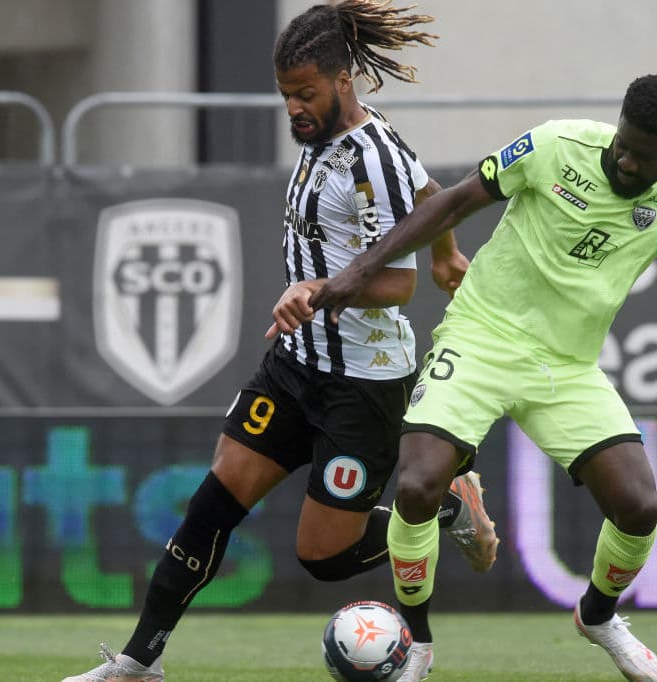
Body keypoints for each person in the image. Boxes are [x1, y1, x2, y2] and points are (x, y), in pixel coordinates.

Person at [307, 74, 657, 682]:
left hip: (567, 368)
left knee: (639, 506)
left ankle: (598, 616)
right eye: (623, 144)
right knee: (419, 485)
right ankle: (417, 643)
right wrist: (360, 270)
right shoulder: (555, 146)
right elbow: (451, 203)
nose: (627, 161)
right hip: (479, 339)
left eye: (644, 156)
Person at [62, 2, 498, 681]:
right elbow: (430, 191)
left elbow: (398, 287)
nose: (294, 108)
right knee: (214, 500)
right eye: (286, 95)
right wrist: (446, 247)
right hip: (296, 364)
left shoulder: (371, 158)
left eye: (306, 93)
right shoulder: (332, 142)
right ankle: (137, 663)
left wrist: (322, 288)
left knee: (323, 557)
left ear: (343, 81)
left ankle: (444, 506)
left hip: (363, 383)